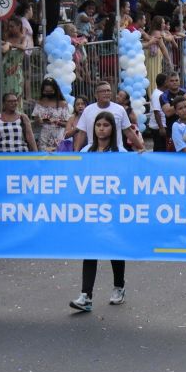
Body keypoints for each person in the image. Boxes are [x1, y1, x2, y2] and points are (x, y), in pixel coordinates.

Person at [69, 112, 127, 312]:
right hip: (91, 208)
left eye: (106, 125)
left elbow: (130, 177)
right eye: (98, 125)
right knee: (90, 249)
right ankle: (86, 296)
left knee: (113, 248)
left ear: (113, 128)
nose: (101, 128)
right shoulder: (86, 150)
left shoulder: (121, 153)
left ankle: (119, 287)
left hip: (113, 208)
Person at [76, 81, 144, 151]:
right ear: (96, 95)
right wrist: (76, 153)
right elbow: (82, 133)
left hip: (115, 151)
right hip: (94, 151)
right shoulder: (88, 110)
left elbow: (128, 131)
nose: (106, 93)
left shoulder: (119, 109)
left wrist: (141, 147)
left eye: (108, 91)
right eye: (103, 91)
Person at [32, 78, 70, 152]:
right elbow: (35, 122)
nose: (48, 93)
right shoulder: (39, 103)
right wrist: (39, 121)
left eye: (50, 91)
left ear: (55, 90)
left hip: (58, 138)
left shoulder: (62, 104)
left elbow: (67, 124)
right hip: (44, 138)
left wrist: (57, 122)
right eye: (46, 91)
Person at [148, 73, 167, 151]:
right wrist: (161, 128)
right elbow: (156, 112)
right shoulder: (157, 95)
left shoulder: (162, 93)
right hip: (158, 128)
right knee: (159, 149)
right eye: (168, 81)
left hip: (161, 126)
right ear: (164, 83)